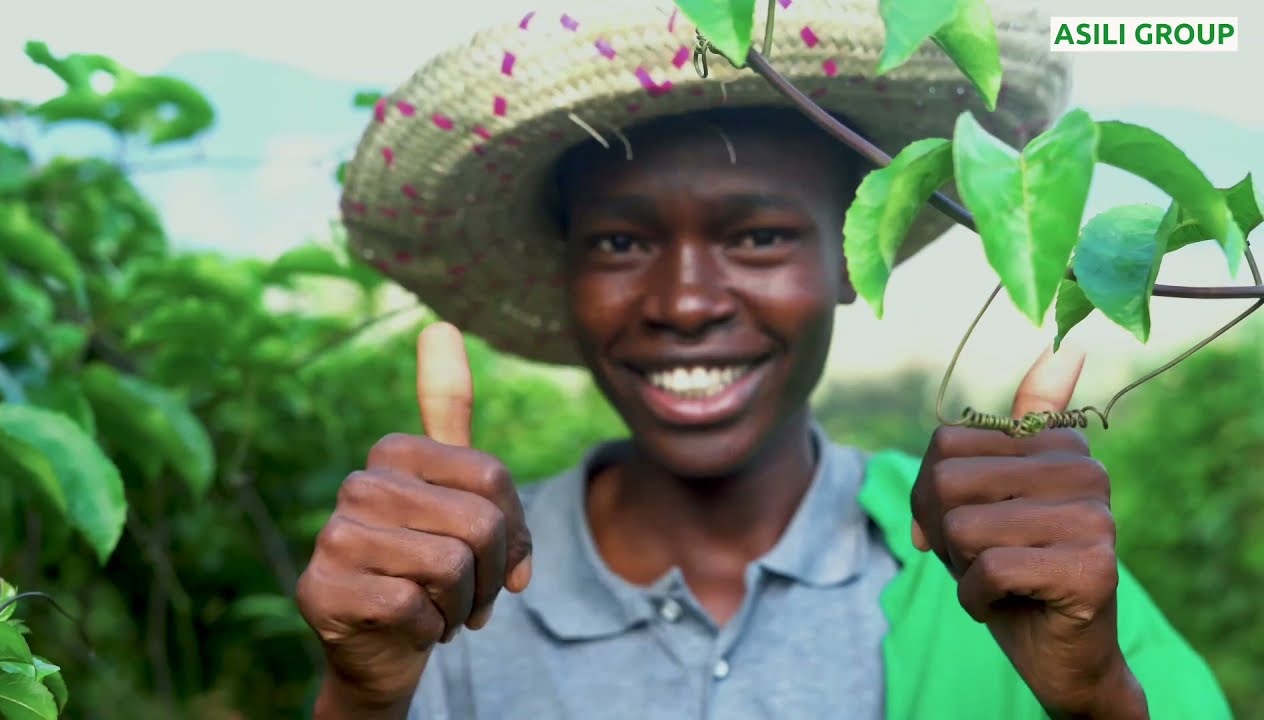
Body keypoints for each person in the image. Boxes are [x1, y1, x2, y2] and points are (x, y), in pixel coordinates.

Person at [296, 2, 1231, 718]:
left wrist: (1095, 689)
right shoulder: (446, 588)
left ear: (851, 256)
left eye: (761, 236)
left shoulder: (1002, 566)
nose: (686, 303)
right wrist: (363, 696)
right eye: (621, 244)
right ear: (568, 272)